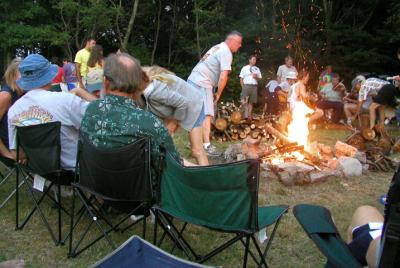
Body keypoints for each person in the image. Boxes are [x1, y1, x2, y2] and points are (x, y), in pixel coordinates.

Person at [80, 53, 195, 167]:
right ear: (137, 84)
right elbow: (174, 164)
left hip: (92, 183)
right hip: (135, 185)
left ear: (105, 82)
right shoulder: (149, 123)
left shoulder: (91, 110)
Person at [7, 54, 96, 170]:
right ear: (49, 76)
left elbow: (16, 152)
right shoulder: (66, 100)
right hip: (74, 170)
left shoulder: (14, 110)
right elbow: (101, 118)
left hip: (41, 170)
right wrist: (80, 92)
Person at [187, 31, 242, 156]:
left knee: (195, 114)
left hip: (193, 79)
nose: (239, 46)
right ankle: (206, 146)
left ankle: (194, 144)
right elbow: (224, 76)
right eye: (238, 43)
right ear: (232, 40)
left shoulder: (217, 47)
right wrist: (218, 93)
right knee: (207, 115)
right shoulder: (226, 52)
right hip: (203, 83)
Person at [140, 65, 208, 165]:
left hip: (193, 105)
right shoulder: (145, 93)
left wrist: (172, 123)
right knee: (164, 145)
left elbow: (182, 103)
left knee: (197, 150)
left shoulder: (155, 92)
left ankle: (207, 177)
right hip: (177, 110)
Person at [0, 59, 23, 159]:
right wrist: (6, 153)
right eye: (23, 74)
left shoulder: (23, 94)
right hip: (9, 147)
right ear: (12, 76)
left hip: (21, 144)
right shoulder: (5, 96)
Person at [239, 55, 262, 120]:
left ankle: (249, 116)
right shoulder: (244, 68)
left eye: (255, 59)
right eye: (253, 59)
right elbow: (241, 78)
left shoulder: (257, 69)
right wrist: (243, 87)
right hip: (246, 86)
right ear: (249, 60)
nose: (254, 61)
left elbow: (259, 78)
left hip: (254, 86)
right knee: (243, 101)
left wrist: (255, 77)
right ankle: (243, 116)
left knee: (251, 102)